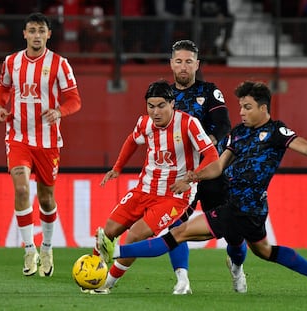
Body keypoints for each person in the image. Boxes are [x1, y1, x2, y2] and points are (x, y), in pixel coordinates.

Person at [97, 80, 307, 297]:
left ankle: (116, 251)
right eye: (241, 106)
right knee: (264, 251)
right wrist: (195, 177)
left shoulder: (277, 132)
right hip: (247, 208)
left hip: (239, 208)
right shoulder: (238, 133)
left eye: (247, 107)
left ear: (263, 108)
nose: (241, 112)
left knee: (178, 234)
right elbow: (218, 168)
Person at [89, 80, 219, 294]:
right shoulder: (144, 123)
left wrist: (190, 178)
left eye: (161, 106)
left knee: (134, 236)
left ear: (172, 104)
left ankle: (107, 283)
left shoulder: (188, 124)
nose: (155, 112)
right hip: (144, 188)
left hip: (174, 195)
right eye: (151, 106)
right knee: (109, 230)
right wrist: (118, 167)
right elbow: (132, 140)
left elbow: (212, 155)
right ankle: (92, 274)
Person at [0, 12, 82, 277]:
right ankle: (29, 248)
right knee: (21, 189)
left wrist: (59, 112)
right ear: (24, 34)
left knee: (46, 197)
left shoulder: (60, 64)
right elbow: (3, 89)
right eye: (31, 30)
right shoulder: (12, 62)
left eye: (41, 31)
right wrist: (0, 107)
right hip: (18, 137)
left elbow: (74, 99)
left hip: (48, 141)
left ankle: (47, 246)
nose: (36, 35)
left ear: (48, 34)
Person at [166, 39, 247, 295]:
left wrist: (207, 143)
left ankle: (237, 267)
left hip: (212, 173)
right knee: (175, 225)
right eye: (178, 61)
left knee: (233, 233)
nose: (183, 66)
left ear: (196, 64)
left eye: (189, 61)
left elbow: (224, 125)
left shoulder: (210, 92)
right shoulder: (164, 96)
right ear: (171, 64)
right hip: (183, 174)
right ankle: (182, 280)